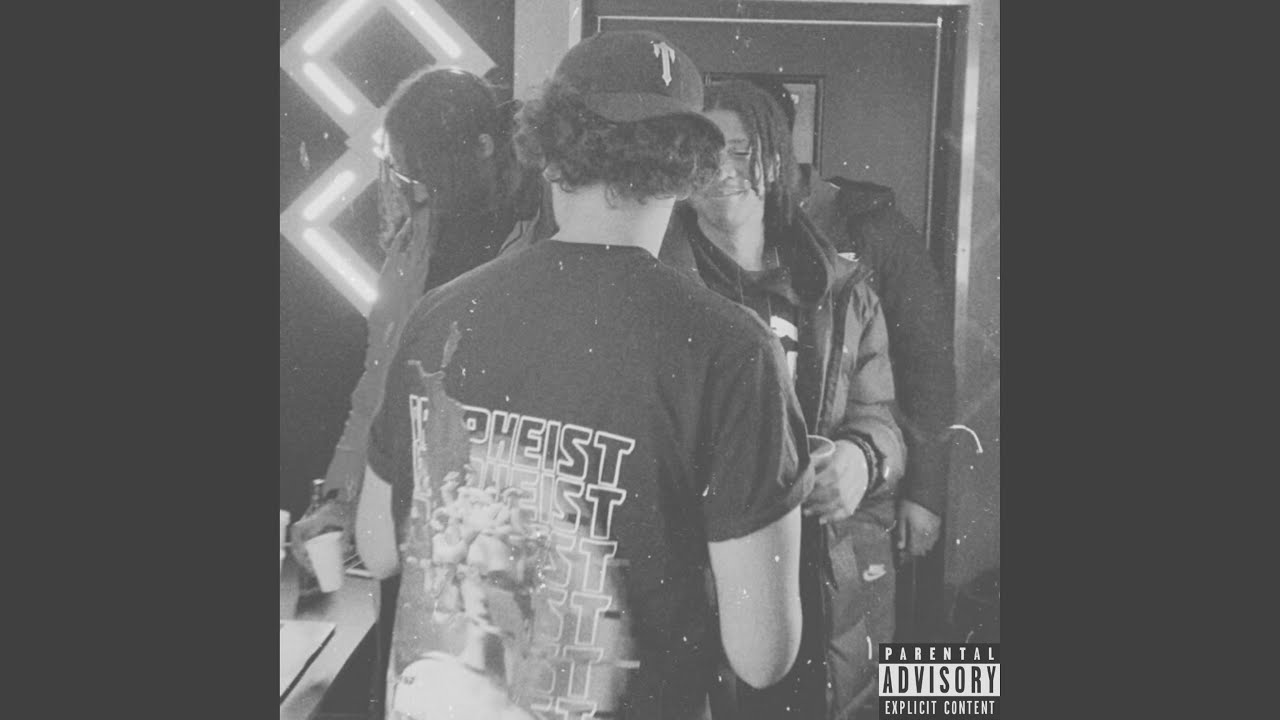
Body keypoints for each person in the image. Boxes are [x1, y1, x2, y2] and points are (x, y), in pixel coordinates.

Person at [353, 31, 812, 720]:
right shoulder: (732, 350)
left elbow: (378, 547)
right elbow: (763, 653)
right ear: (689, 169)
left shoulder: (440, 313)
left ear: (547, 150)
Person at [287, 66, 556, 716]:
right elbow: (377, 380)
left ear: (482, 148)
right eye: (407, 173)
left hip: (496, 514)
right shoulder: (417, 236)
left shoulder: (543, 235)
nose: (415, 186)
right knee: (400, 682)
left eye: (425, 169)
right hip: (405, 498)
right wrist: (338, 494)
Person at [660, 79, 906, 720]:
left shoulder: (841, 289)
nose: (722, 168)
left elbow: (879, 416)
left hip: (822, 578)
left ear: (775, 158)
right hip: (702, 577)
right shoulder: (654, 288)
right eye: (705, 150)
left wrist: (863, 458)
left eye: (741, 149)